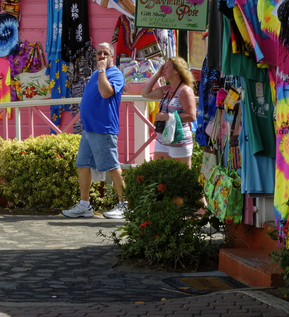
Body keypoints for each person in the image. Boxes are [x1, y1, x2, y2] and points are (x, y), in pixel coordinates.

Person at [62, 43, 128, 219]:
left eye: (105, 53)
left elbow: (106, 93)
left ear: (112, 56)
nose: (102, 56)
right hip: (89, 129)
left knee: (112, 166)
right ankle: (85, 205)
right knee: (82, 164)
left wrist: (102, 71)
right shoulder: (95, 74)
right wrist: (99, 72)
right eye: (99, 53)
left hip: (103, 128)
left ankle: (125, 205)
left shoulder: (115, 74)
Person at [140, 56, 198, 166]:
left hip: (179, 140)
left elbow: (191, 116)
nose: (163, 70)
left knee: (182, 174)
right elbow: (145, 93)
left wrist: (168, 116)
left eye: (166, 67)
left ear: (176, 71)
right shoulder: (166, 90)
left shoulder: (185, 91)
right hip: (162, 139)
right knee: (159, 172)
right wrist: (157, 75)